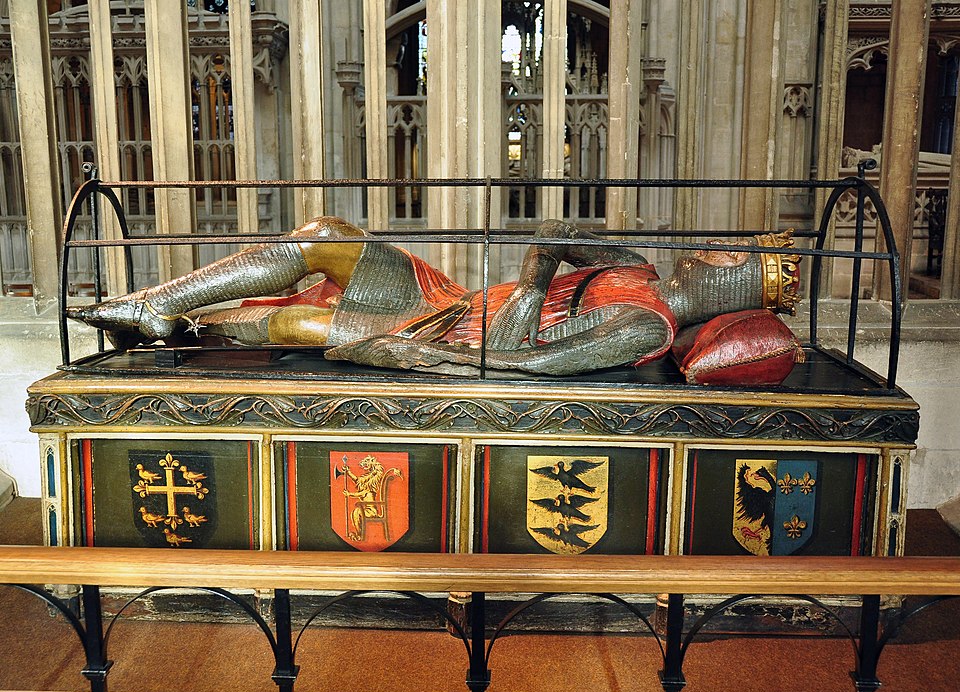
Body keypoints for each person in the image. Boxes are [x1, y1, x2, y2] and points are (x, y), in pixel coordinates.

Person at [66, 217, 800, 376]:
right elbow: (555, 235)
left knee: (295, 320)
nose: (712, 250)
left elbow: (524, 361)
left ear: (733, 285)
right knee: (325, 237)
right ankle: (156, 306)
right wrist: (550, 251)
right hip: (451, 297)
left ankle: (182, 333)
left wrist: (540, 273)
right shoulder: (636, 267)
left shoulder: (646, 326)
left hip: (452, 340)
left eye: (731, 257)